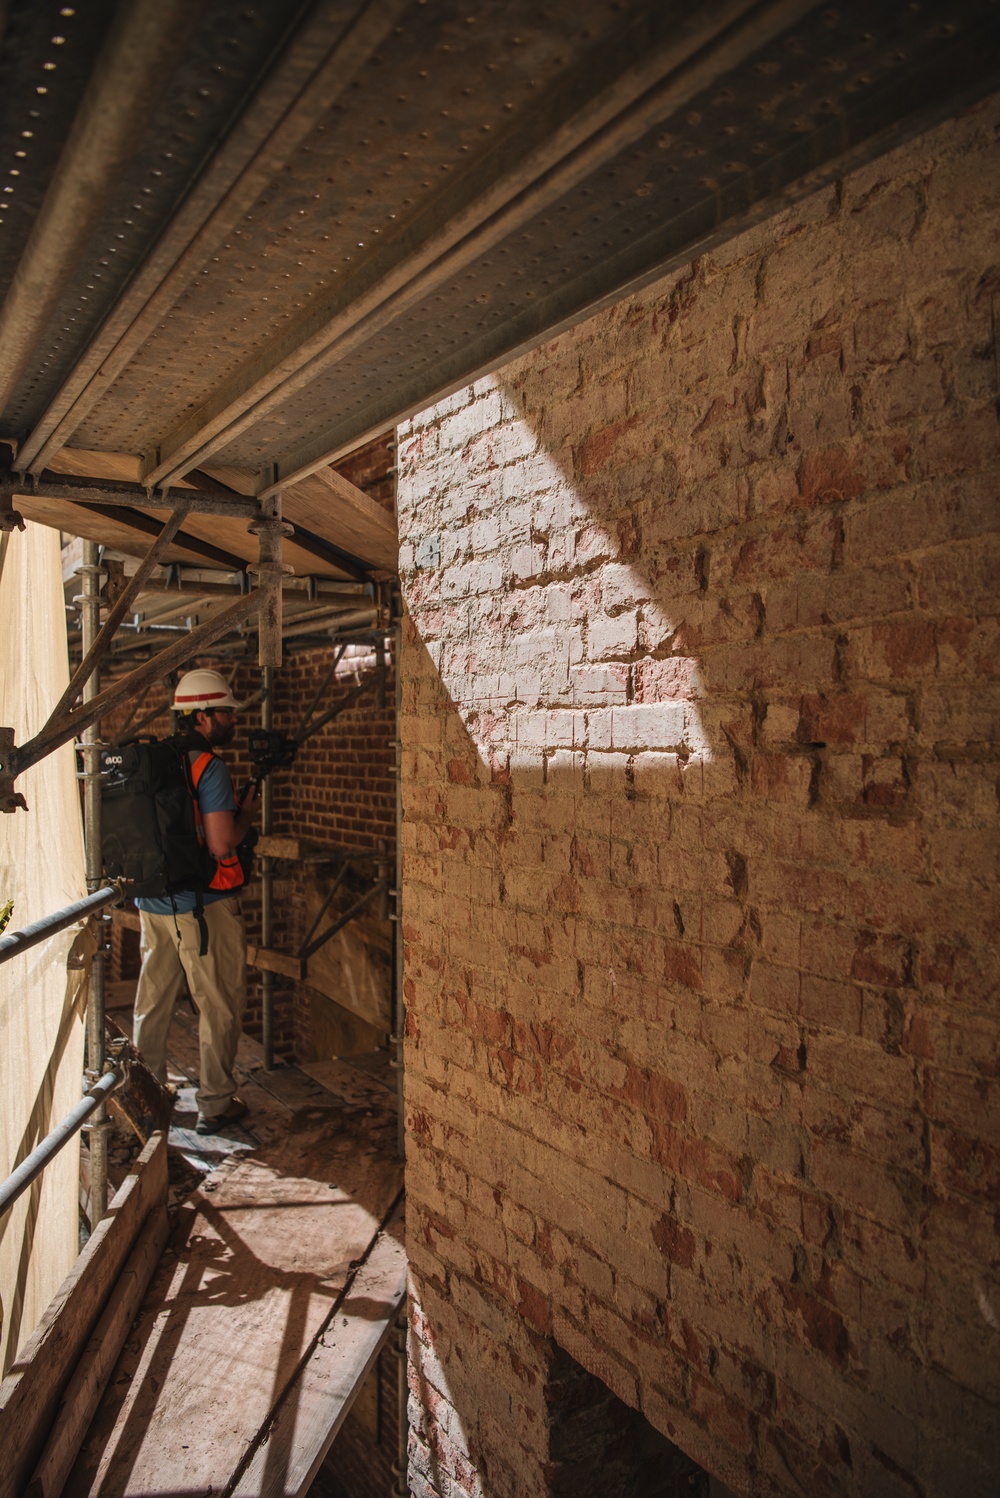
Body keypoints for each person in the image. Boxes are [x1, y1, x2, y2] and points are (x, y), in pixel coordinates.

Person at [132, 668, 258, 1135]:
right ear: (202, 716)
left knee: (154, 1001)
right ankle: (216, 1104)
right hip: (203, 908)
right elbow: (223, 845)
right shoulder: (210, 767)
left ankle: (142, 1100)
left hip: (153, 904)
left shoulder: (156, 760)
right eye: (226, 712)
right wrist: (245, 816)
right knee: (219, 1002)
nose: (233, 720)